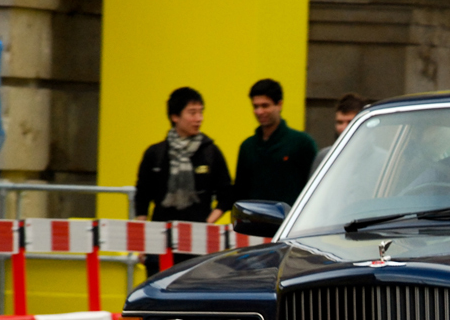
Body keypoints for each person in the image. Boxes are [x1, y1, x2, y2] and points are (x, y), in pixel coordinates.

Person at [134, 87, 233, 278]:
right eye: (192, 113)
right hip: (160, 241)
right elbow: (142, 199)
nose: (199, 118)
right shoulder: (155, 154)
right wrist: (142, 242)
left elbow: (226, 196)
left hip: (199, 244)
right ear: (175, 117)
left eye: (201, 112)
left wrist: (206, 224)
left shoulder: (210, 152)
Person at [234, 78, 318, 206]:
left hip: (291, 222)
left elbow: (315, 188)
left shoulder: (302, 143)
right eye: (255, 106)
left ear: (279, 105)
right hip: (255, 223)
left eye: (265, 106)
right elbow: (240, 192)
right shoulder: (247, 147)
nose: (259, 111)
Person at [310, 93, 369, 176]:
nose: (344, 128)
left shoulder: (383, 159)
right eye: (340, 122)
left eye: (350, 122)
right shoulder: (325, 157)